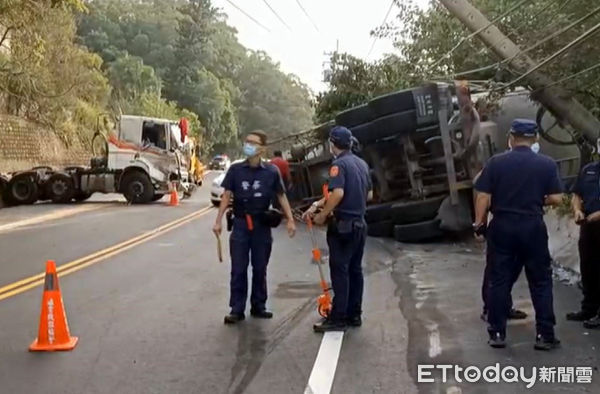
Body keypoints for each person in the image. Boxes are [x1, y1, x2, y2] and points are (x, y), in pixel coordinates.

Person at [473, 119, 564, 350]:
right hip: (532, 226)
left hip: (503, 226)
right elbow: (557, 198)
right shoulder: (547, 164)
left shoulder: (496, 163)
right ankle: (545, 335)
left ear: (511, 138)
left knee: (499, 280)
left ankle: (497, 333)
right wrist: (536, 199)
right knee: (541, 282)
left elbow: (482, 196)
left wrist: (479, 224)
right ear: (535, 139)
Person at [213, 130, 296, 324]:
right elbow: (226, 195)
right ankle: (236, 309)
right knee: (239, 269)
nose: (248, 145)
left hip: (261, 225)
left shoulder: (271, 172)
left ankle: (259, 305)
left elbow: (281, 195)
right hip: (241, 224)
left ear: (262, 148)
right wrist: (217, 221)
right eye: (247, 141)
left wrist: (290, 219)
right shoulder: (235, 170)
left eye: (253, 142)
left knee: (260, 268)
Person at [303, 126, 372, 332]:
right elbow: (368, 195)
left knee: (340, 271)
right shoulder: (361, 164)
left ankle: (338, 318)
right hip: (360, 225)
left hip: (343, 227)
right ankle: (354, 314)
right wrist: (318, 204)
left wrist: (323, 215)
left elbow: (339, 193)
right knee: (355, 270)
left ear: (333, 144)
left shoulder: (338, 166)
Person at [567, 149, 600, 329]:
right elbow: (577, 194)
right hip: (588, 226)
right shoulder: (589, 170)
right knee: (588, 268)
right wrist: (577, 210)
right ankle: (589, 308)